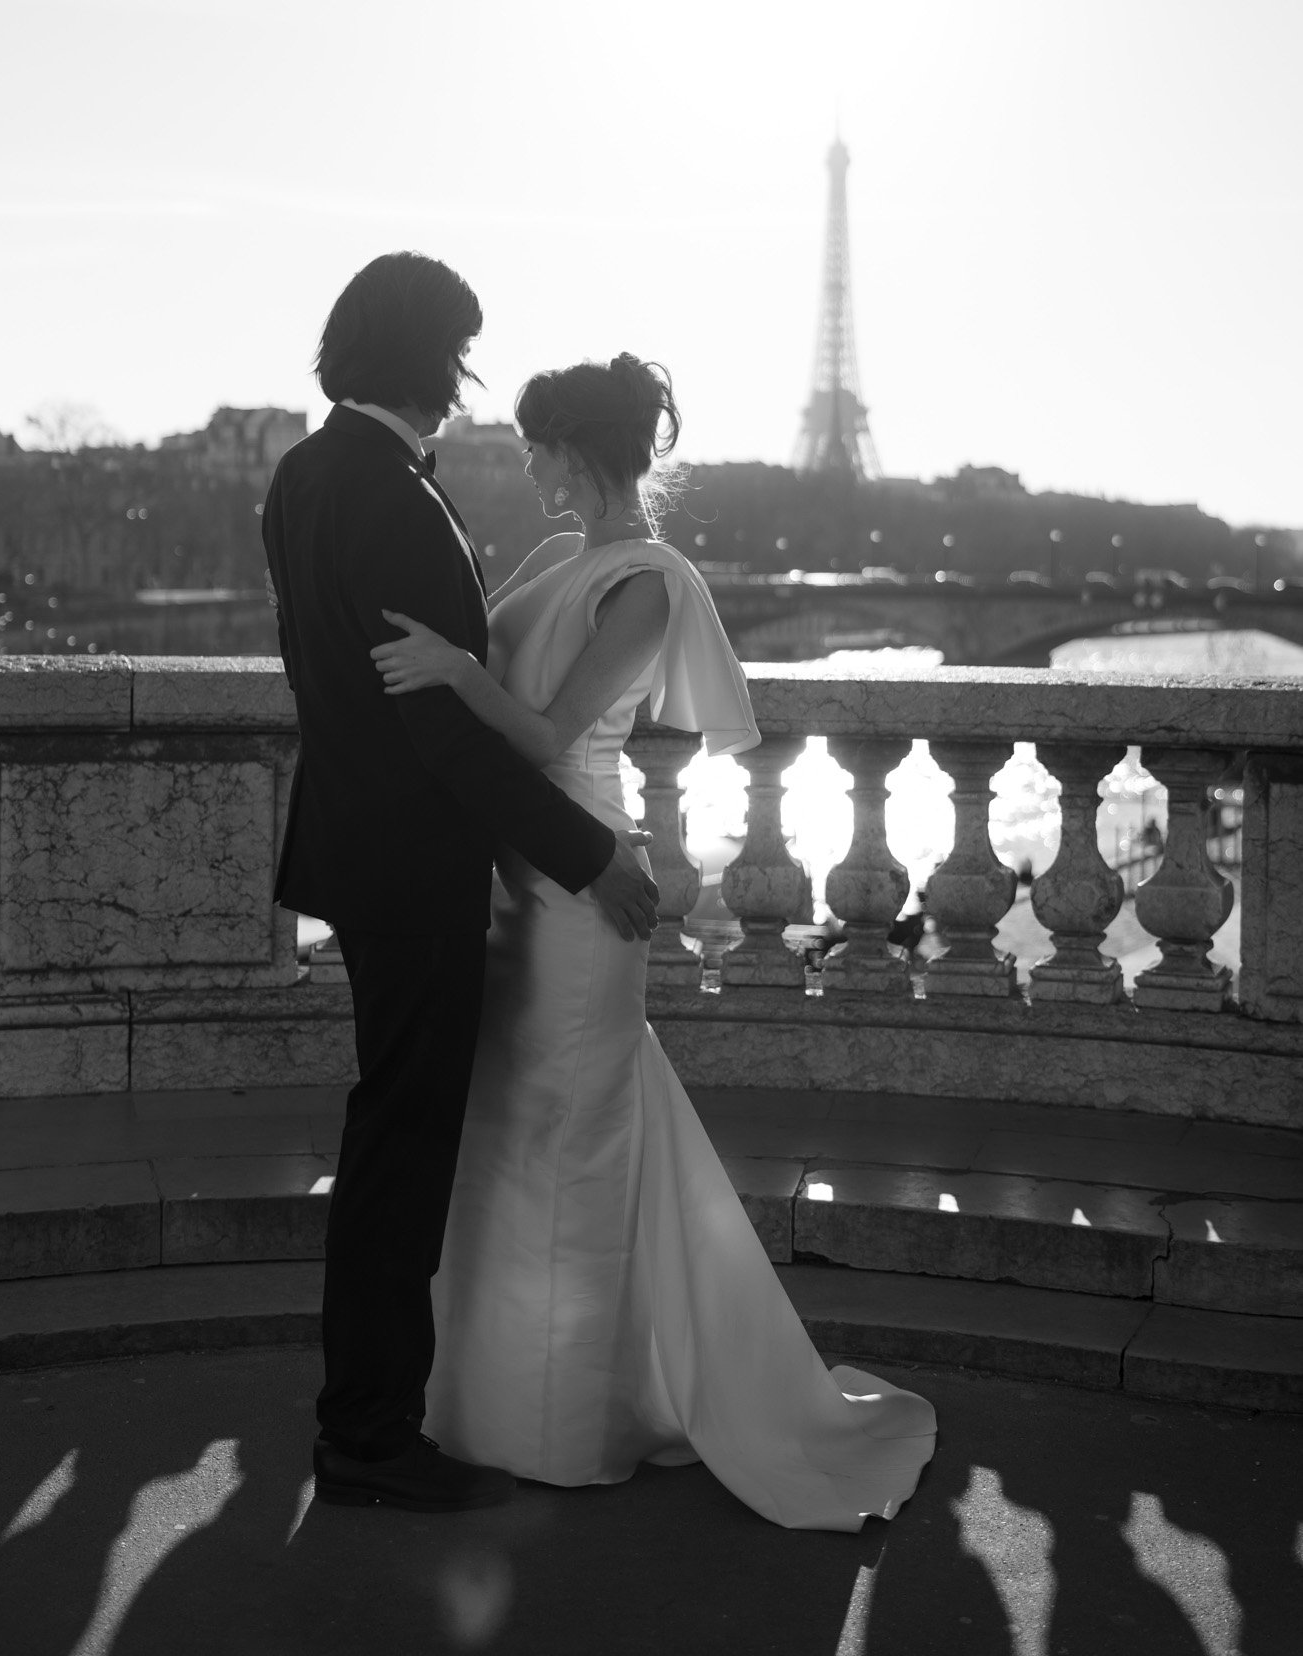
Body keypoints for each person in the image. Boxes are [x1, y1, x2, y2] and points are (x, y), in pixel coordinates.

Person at [368, 352, 937, 1531]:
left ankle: (565, 1425)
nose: (524, 465)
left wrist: (450, 666)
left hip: (580, 884)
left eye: (536, 446)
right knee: (523, 1136)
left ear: (581, 450)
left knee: (569, 1142)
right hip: (517, 878)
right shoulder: (555, 558)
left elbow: (544, 735)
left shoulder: (649, 584)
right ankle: (505, 1401)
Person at [262, 253, 659, 1516]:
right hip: (420, 868)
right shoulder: (390, 498)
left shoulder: (302, 476)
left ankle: (373, 1411)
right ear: (433, 358)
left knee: (392, 1132)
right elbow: (443, 731)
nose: (466, 380)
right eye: (461, 351)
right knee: (405, 1145)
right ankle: (371, 1428)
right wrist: (591, 855)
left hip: (355, 853)